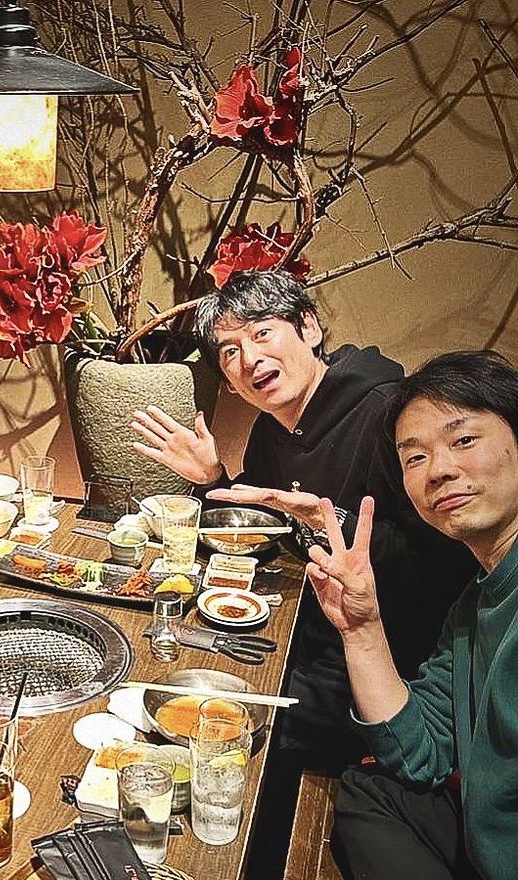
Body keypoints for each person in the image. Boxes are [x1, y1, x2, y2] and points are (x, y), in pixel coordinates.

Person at [130, 269, 474, 761]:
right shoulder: (271, 432)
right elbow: (262, 527)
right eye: (230, 352)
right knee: (172, 675)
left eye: (262, 332)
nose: (250, 358)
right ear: (230, 385)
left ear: (309, 328)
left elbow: (447, 561)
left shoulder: (388, 416)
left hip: (390, 659)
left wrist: (329, 522)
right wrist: (212, 478)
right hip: (303, 628)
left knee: (219, 723)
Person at [305, 350, 518, 880]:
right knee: (372, 787)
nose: (439, 470)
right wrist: (362, 628)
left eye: (464, 439)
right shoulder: (478, 599)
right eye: (415, 456)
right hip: (496, 859)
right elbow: (417, 752)